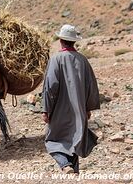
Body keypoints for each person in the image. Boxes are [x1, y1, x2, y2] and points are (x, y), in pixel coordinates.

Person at [42, 24, 100, 174]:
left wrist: (46, 109)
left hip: (59, 110)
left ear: (61, 40)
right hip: (79, 110)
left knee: (53, 141)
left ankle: (64, 164)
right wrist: (88, 108)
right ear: (74, 41)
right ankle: (74, 173)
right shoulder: (83, 60)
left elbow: (50, 87)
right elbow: (91, 86)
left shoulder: (56, 59)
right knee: (74, 141)